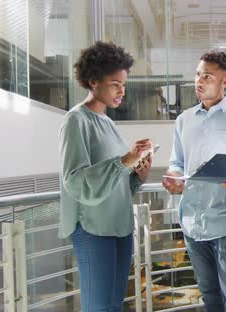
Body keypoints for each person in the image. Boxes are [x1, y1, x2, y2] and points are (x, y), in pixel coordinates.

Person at [162, 50, 226, 311]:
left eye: (207, 76)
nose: (199, 80)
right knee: (209, 297)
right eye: (198, 74)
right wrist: (174, 174)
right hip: (192, 223)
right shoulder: (183, 120)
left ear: (225, 81)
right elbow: (177, 162)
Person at [58, 41, 153, 312]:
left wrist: (138, 173)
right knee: (99, 306)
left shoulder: (109, 123)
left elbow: (116, 180)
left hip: (119, 225)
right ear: (93, 82)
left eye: (124, 85)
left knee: (114, 304)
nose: (121, 91)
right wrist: (125, 160)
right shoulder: (76, 121)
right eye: (115, 84)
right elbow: (75, 179)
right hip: (91, 227)